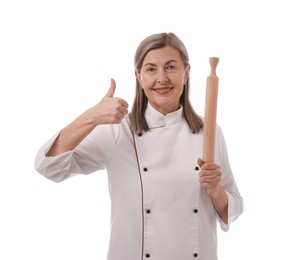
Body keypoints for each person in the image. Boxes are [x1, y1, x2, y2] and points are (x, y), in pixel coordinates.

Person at [35, 32, 243, 260]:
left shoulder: (209, 132)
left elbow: (232, 209)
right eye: (151, 69)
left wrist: (216, 191)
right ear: (138, 76)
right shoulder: (118, 130)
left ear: (186, 73)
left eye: (171, 67)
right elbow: (49, 167)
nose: (162, 78)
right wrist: (91, 117)